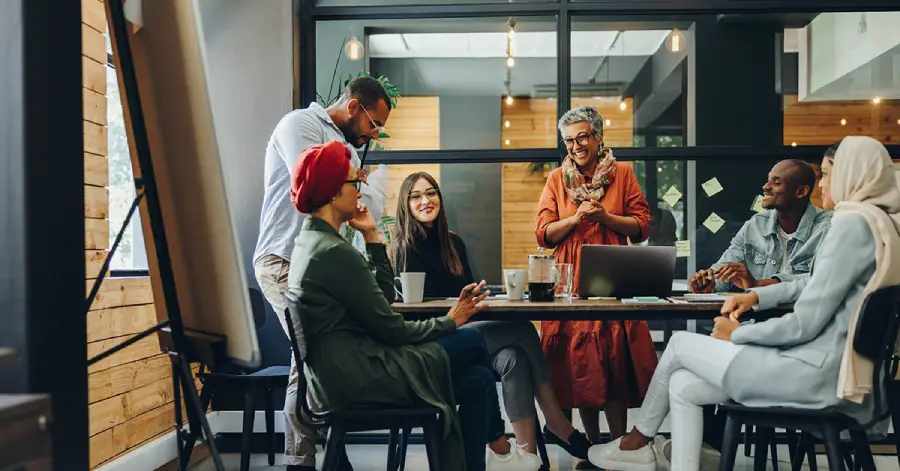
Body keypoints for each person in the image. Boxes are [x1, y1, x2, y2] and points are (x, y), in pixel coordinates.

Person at [587, 136, 900, 471]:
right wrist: (755, 295)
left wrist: (734, 333)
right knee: (682, 385)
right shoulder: (883, 225)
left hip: (814, 373)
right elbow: (812, 283)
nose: (824, 184)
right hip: (835, 368)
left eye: (827, 174)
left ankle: (635, 443)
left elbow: (804, 322)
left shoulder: (849, 224)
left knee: (678, 345)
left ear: (853, 173)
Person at [287, 141, 538, 471]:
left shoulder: (312, 243)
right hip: (361, 377)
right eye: (353, 182)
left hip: (343, 374)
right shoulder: (334, 253)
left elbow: (380, 298)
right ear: (334, 193)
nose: (359, 188)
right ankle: (500, 447)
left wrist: (373, 238)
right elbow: (390, 327)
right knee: (473, 340)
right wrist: (451, 320)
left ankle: (494, 455)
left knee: (477, 380)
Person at [390, 171, 593, 467]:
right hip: (437, 339)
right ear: (405, 205)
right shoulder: (403, 248)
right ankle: (555, 420)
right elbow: (418, 315)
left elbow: (470, 298)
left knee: (513, 358)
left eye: (431, 193)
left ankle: (526, 456)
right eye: (416, 196)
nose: (426, 200)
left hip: (467, 331)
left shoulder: (453, 243)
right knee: (522, 330)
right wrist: (456, 314)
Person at [252, 76, 392, 471]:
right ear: (352, 108)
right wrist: (354, 177)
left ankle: (330, 453)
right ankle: (303, 461)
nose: (375, 133)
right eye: (373, 123)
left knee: (321, 353)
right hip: (282, 260)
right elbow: (317, 182)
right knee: (308, 353)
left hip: (317, 266)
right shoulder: (300, 124)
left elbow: (368, 205)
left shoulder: (347, 145)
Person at [535, 105, 656, 468]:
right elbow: (543, 234)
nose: (576, 146)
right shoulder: (557, 179)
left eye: (582, 137)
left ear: (599, 136)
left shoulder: (622, 173)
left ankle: (619, 446)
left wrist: (604, 216)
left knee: (614, 358)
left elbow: (642, 225)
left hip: (613, 271)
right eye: (569, 140)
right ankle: (590, 449)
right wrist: (574, 218)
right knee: (580, 363)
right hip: (570, 277)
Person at [690, 159, 831, 294]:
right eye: (768, 180)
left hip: (804, 318)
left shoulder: (828, 228)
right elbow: (725, 267)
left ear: (801, 192)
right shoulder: (756, 224)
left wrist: (758, 285)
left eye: (776, 183)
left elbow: (823, 281)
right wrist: (709, 282)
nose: (766, 187)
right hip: (756, 318)